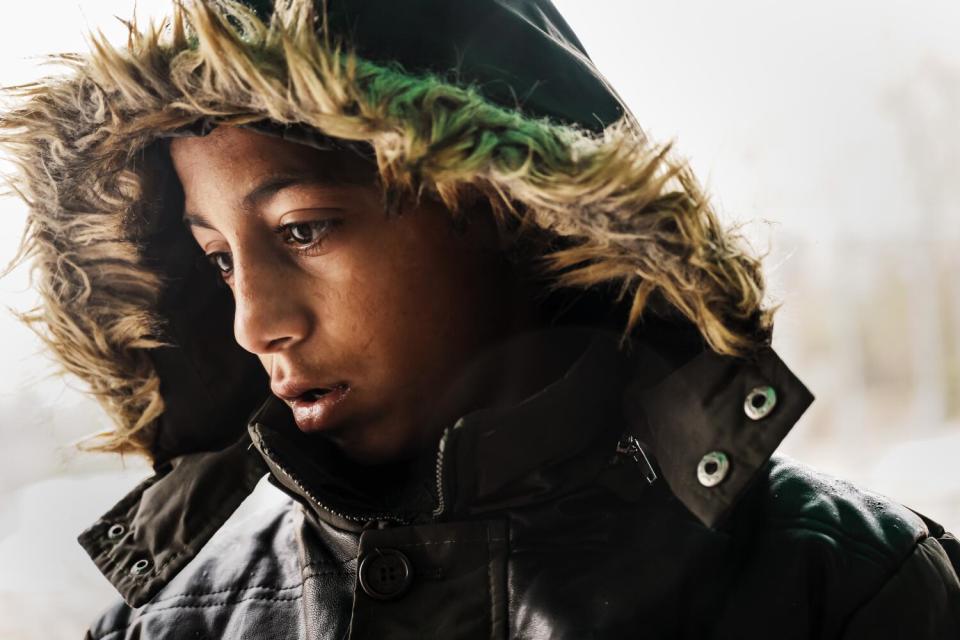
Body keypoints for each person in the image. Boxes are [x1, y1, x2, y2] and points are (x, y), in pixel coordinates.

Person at [1, 0, 957, 638]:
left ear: (502, 204)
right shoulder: (176, 620)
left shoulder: (844, 586)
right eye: (217, 258)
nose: (254, 324)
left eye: (303, 229)